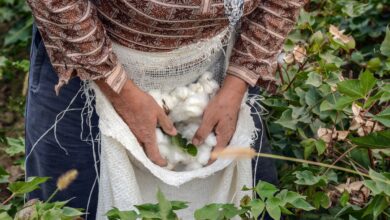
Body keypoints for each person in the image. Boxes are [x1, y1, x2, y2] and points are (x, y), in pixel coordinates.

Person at [25, 0, 307, 219]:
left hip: (217, 69)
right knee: (74, 203)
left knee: (245, 200)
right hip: (89, 62)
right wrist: (119, 89)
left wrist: (236, 84)